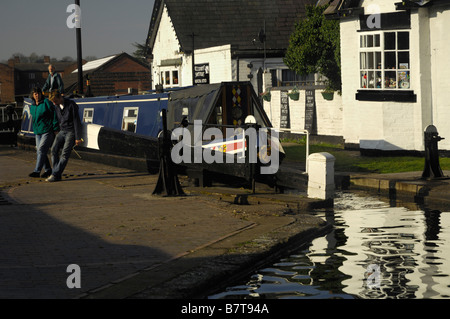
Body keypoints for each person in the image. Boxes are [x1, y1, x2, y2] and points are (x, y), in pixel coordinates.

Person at [46, 90, 82, 182]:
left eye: (55, 101)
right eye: (52, 101)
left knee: (65, 154)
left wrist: (78, 137)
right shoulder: (57, 106)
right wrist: (56, 130)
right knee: (53, 150)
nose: (54, 103)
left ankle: (55, 174)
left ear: (60, 97)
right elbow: (58, 119)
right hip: (62, 131)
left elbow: (76, 121)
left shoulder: (71, 105)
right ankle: (56, 174)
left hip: (71, 132)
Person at [28, 87, 59, 178]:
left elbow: (54, 114)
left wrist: (55, 127)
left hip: (47, 130)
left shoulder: (46, 103)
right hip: (38, 132)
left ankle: (37, 171)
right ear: (32, 95)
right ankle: (48, 170)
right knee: (40, 151)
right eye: (35, 94)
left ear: (41, 94)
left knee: (41, 149)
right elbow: (33, 119)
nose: (37, 95)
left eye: (38, 93)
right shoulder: (32, 105)